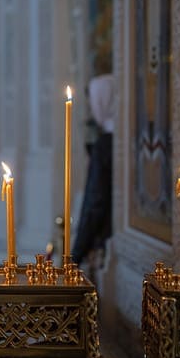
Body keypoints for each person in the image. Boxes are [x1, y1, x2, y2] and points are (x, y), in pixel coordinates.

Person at [72, 74, 116, 266]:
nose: (91, 109)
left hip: (105, 244)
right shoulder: (125, 139)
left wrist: (75, 256)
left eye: (92, 102)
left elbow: (95, 202)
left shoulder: (105, 145)